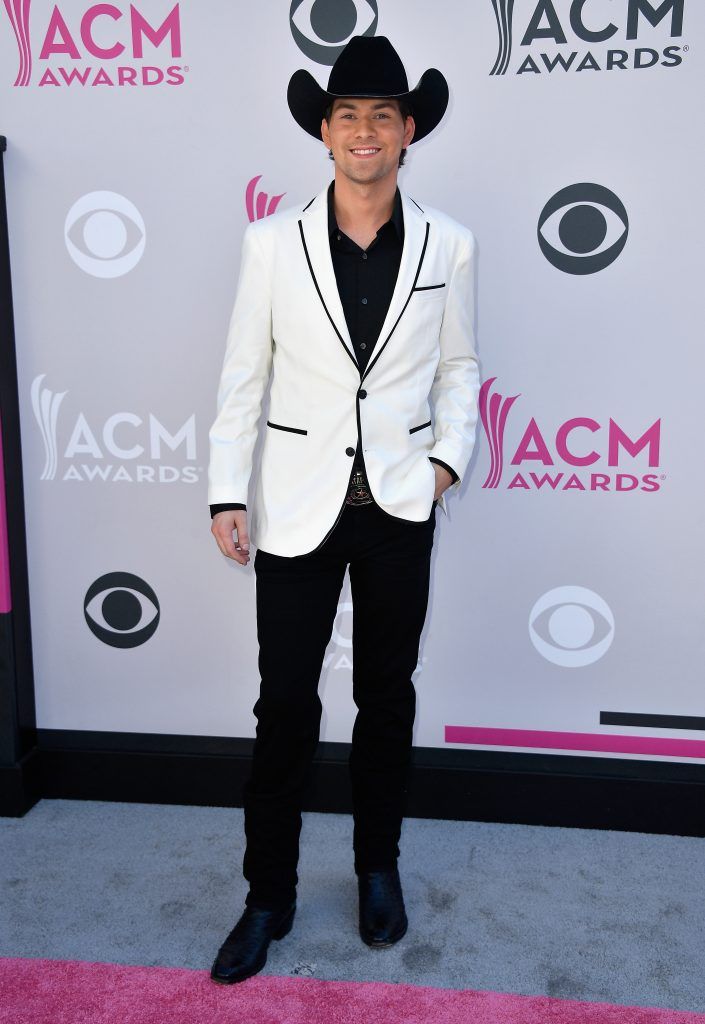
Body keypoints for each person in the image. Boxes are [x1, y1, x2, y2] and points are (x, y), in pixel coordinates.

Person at [207, 35, 481, 984]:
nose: (364, 132)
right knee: (283, 704)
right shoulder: (269, 244)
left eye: (382, 116)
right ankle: (266, 896)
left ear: (408, 132)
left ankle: (376, 868)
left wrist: (446, 462)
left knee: (385, 699)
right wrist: (224, 490)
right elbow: (245, 375)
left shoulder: (451, 244)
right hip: (294, 504)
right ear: (323, 132)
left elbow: (458, 367)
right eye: (346, 115)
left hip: (400, 504)